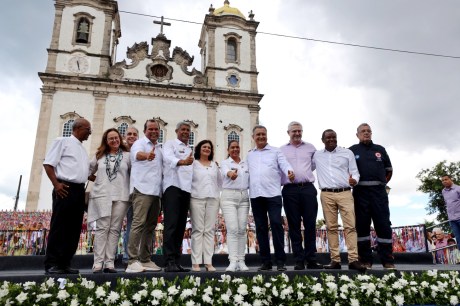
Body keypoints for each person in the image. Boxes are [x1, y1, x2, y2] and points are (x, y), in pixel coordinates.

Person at [43, 118, 91, 274]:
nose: (90, 132)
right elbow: (48, 164)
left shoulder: (83, 149)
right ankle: (52, 263)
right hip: (64, 188)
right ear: (77, 128)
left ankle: (65, 262)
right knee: (60, 226)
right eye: (87, 129)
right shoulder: (62, 141)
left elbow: (83, 172)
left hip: (79, 191)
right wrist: (56, 185)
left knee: (74, 228)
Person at [313, 129, 366, 272]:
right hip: (326, 194)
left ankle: (353, 259)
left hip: (345, 193)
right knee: (331, 228)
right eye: (328, 138)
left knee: (350, 226)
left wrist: (355, 179)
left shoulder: (347, 153)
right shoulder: (317, 155)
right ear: (322, 140)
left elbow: (355, 171)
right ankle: (335, 260)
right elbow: (308, 168)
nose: (331, 140)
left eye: (334, 137)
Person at [247, 125, 294, 271]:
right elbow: (244, 171)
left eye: (263, 134)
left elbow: (284, 164)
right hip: (256, 195)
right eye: (258, 135)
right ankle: (265, 262)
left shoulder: (275, 151)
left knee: (275, 224)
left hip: (273, 194)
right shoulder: (250, 155)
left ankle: (280, 261)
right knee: (260, 228)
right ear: (253, 137)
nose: (261, 137)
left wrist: (289, 172)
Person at [349, 123, 395, 270]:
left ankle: (387, 260)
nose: (366, 133)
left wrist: (380, 183)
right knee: (361, 228)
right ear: (357, 135)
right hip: (360, 193)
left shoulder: (380, 150)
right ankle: (365, 260)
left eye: (368, 131)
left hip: (379, 193)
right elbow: (346, 171)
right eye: (363, 131)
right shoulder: (352, 151)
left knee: (383, 225)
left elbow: (389, 170)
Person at [280, 121, 323, 270]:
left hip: (307, 189)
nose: (297, 133)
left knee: (311, 224)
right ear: (288, 133)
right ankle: (298, 259)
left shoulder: (311, 148)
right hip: (289, 190)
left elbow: (314, 165)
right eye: (294, 131)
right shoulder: (281, 150)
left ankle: (311, 259)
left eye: (299, 131)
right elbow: (278, 168)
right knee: (294, 226)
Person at [87, 128, 130, 273]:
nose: (114, 140)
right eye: (111, 138)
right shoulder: (99, 155)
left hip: (121, 196)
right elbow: (87, 171)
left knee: (114, 229)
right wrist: (98, 180)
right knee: (102, 228)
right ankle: (98, 262)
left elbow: (134, 174)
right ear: (106, 140)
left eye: (116, 138)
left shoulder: (127, 156)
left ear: (120, 139)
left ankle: (109, 262)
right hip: (102, 195)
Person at [125, 120, 163, 273]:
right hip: (142, 189)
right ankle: (132, 260)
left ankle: (145, 259)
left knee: (150, 226)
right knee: (138, 224)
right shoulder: (139, 143)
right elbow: (137, 155)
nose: (154, 131)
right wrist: (147, 155)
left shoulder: (160, 148)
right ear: (145, 130)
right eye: (151, 129)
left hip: (156, 192)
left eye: (156, 129)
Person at [162, 121, 194, 272]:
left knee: (181, 226)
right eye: (183, 129)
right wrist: (182, 161)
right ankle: (168, 261)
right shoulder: (170, 144)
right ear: (177, 131)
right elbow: (168, 158)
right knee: (171, 225)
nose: (186, 132)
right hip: (173, 187)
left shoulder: (189, 149)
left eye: (188, 130)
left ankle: (176, 259)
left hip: (186, 189)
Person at [189, 140, 222, 272]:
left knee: (209, 230)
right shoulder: (193, 164)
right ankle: (196, 262)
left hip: (213, 199)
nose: (207, 149)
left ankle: (208, 262)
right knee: (198, 230)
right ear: (199, 149)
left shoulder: (214, 165)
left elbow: (220, 182)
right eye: (204, 147)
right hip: (196, 198)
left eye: (209, 147)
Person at [220, 140, 250, 271]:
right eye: (232, 147)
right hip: (229, 197)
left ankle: (241, 260)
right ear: (228, 150)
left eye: (237, 147)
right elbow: (227, 172)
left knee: (242, 229)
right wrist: (230, 174)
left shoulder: (245, 163)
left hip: (244, 197)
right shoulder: (225, 163)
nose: (235, 149)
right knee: (233, 229)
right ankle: (233, 261)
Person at [122, 126, 139, 265]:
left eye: (134, 134)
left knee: (132, 224)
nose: (132, 136)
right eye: (129, 134)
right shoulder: (119, 151)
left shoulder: (139, 151)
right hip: (120, 191)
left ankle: (129, 256)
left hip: (134, 193)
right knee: (113, 226)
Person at [441, 174, 460, 250]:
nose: (444, 181)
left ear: (451, 179)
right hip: (452, 220)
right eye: (442, 180)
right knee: (458, 240)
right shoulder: (443, 191)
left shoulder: (458, 189)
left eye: (446, 179)